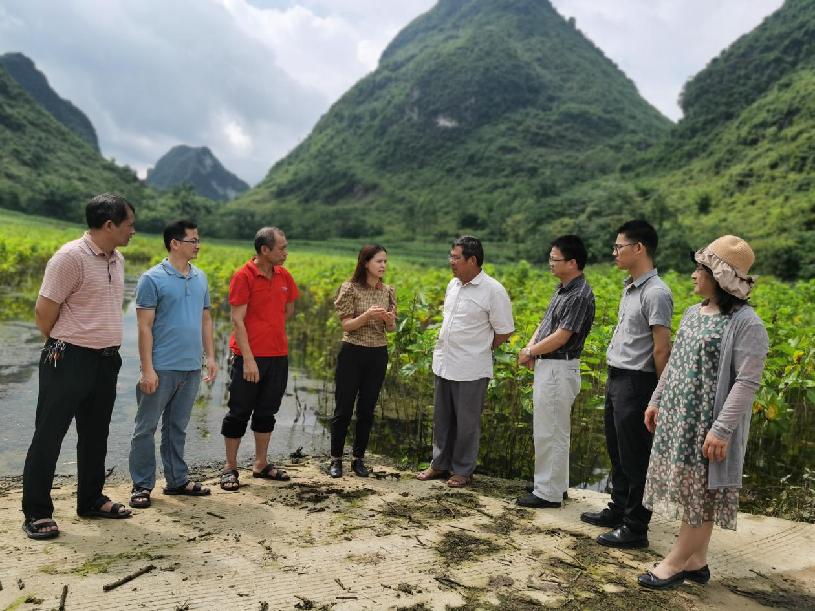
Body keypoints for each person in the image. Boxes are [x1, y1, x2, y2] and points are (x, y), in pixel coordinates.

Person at [637, 236, 768, 589]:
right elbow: (676, 363)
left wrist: (721, 429)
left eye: (700, 269)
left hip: (708, 426)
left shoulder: (747, 323)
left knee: (701, 493)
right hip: (679, 420)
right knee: (690, 490)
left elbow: (746, 383)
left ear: (720, 277)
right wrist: (656, 399)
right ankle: (696, 561)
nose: (693, 275)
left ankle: (676, 563)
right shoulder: (694, 313)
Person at [21, 193, 136, 539]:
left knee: (95, 434)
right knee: (49, 434)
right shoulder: (70, 257)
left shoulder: (118, 260)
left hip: (106, 360)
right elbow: (44, 312)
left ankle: (90, 499)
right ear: (109, 225)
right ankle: (37, 511)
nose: (134, 230)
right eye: (129, 224)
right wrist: (65, 343)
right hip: (68, 357)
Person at [581, 220, 673, 548]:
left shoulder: (656, 292)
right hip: (617, 376)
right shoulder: (630, 286)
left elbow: (662, 347)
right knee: (617, 450)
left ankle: (636, 528)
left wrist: (661, 396)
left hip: (639, 382)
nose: (614, 252)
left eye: (619, 246)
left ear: (639, 248)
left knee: (636, 456)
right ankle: (618, 509)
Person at [127, 220, 218, 509]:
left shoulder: (200, 277)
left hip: (191, 367)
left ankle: (177, 480)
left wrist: (211, 357)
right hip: (161, 366)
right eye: (193, 240)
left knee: (177, 427)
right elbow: (144, 328)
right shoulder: (151, 278)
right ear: (175, 243)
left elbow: (205, 319)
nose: (198, 245)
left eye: (198, 239)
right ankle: (142, 485)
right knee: (145, 427)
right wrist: (147, 369)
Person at [417, 236, 514, 488]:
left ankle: (462, 470)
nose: (451, 262)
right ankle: (439, 464)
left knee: (467, 423)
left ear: (472, 260)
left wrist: (480, 348)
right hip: (444, 363)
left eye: (456, 257)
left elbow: (504, 331)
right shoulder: (453, 285)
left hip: (471, 367)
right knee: (442, 419)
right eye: (451, 256)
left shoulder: (493, 290)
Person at [516, 235, 595, 509]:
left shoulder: (580, 294)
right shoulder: (563, 289)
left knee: (552, 431)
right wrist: (531, 348)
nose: (550, 263)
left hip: (560, 367)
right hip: (549, 365)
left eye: (555, 259)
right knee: (551, 429)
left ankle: (547, 493)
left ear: (572, 263)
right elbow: (546, 324)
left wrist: (530, 352)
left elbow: (562, 336)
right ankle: (553, 485)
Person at [220, 227, 298, 491]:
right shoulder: (243, 276)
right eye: (281, 248)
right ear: (265, 250)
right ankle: (230, 467)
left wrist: (269, 330)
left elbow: (289, 309)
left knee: (267, 411)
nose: (285, 253)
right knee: (239, 412)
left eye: (286, 247)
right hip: (247, 357)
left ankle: (260, 463)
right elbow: (237, 320)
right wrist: (250, 359)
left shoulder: (284, 275)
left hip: (278, 356)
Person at [329, 245, 397, 478]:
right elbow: (347, 325)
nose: (383, 266)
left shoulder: (388, 291)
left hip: (378, 353)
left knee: (367, 409)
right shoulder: (350, 289)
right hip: (352, 352)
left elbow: (392, 328)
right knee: (343, 408)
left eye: (385, 262)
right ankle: (336, 458)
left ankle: (358, 459)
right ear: (365, 262)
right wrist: (367, 316)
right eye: (379, 261)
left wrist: (388, 320)